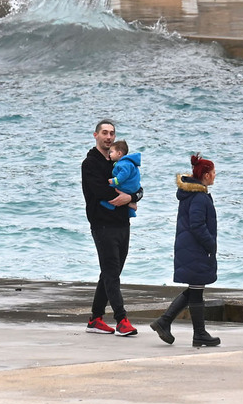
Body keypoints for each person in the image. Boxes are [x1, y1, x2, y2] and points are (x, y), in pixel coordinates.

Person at [150, 153, 221, 347]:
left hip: (190, 249)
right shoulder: (198, 197)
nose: (215, 175)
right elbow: (197, 225)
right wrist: (210, 245)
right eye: (213, 172)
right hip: (195, 250)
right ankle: (199, 334)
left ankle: (164, 321)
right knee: (196, 291)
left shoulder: (195, 194)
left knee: (194, 289)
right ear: (206, 175)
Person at [81, 119, 143, 336]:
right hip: (101, 224)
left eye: (112, 134)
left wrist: (132, 196)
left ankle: (95, 318)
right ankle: (121, 319)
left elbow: (137, 186)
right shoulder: (89, 163)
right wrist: (126, 197)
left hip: (122, 223)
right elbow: (99, 191)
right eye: (105, 133)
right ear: (95, 135)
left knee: (112, 272)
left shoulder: (121, 161)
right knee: (110, 272)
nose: (109, 137)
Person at [100, 140, 141, 218]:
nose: (109, 154)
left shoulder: (124, 164)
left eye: (111, 152)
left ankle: (108, 204)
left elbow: (124, 174)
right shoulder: (127, 163)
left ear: (119, 153)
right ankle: (131, 209)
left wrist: (115, 181)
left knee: (111, 187)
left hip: (127, 186)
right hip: (134, 187)